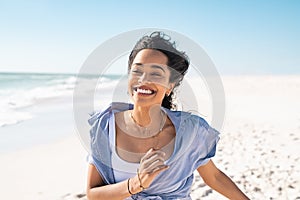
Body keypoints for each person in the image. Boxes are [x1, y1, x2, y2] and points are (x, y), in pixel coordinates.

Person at [86, 31, 249, 200]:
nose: (143, 80)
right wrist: (137, 183)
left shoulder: (190, 131)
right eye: (137, 71)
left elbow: (213, 177)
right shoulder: (106, 125)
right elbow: (93, 194)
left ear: (170, 85)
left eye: (156, 74)